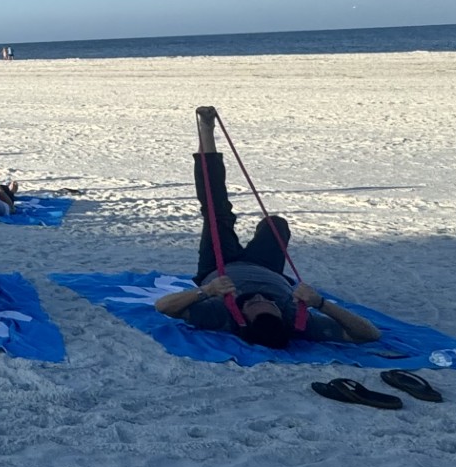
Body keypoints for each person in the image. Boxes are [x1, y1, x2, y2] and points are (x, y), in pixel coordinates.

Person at [153, 107, 379, 347]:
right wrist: (321, 304)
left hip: (220, 266)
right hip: (267, 268)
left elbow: (164, 307)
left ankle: (206, 130)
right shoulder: (296, 321)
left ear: (243, 319)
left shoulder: (221, 315)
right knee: (276, 225)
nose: (260, 296)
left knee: (215, 211)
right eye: (270, 302)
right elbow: (369, 335)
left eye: (252, 303)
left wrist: (207, 291)